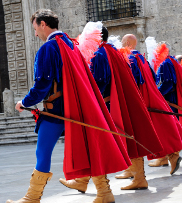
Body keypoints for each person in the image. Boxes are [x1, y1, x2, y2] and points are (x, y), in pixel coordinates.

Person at [6, 9, 131, 203]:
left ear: (43, 24)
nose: (35, 34)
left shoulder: (49, 48)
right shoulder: (71, 44)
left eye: (35, 28)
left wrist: (25, 102)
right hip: (78, 108)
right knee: (89, 146)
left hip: (56, 111)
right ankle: (104, 192)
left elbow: (43, 83)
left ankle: (32, 198)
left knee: (42, 152)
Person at [60, 27, 164, 192]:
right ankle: (138, 178)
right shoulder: (113, 51)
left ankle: (98, 186)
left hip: (108, 104)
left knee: (96, 141)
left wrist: (92, 101)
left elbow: (101, 80)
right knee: (128, 136)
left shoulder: (101, 53)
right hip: (117, 102)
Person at [119, 34, 182, 177]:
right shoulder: (142, 58)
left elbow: (133, 82)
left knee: (137, 135)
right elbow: (154, 78)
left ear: (126, 43)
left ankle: (135, 172)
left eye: (122, 42)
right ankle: (171, 157)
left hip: (140, 101)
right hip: (149, 98)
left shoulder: (130, 58)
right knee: (157, 130)